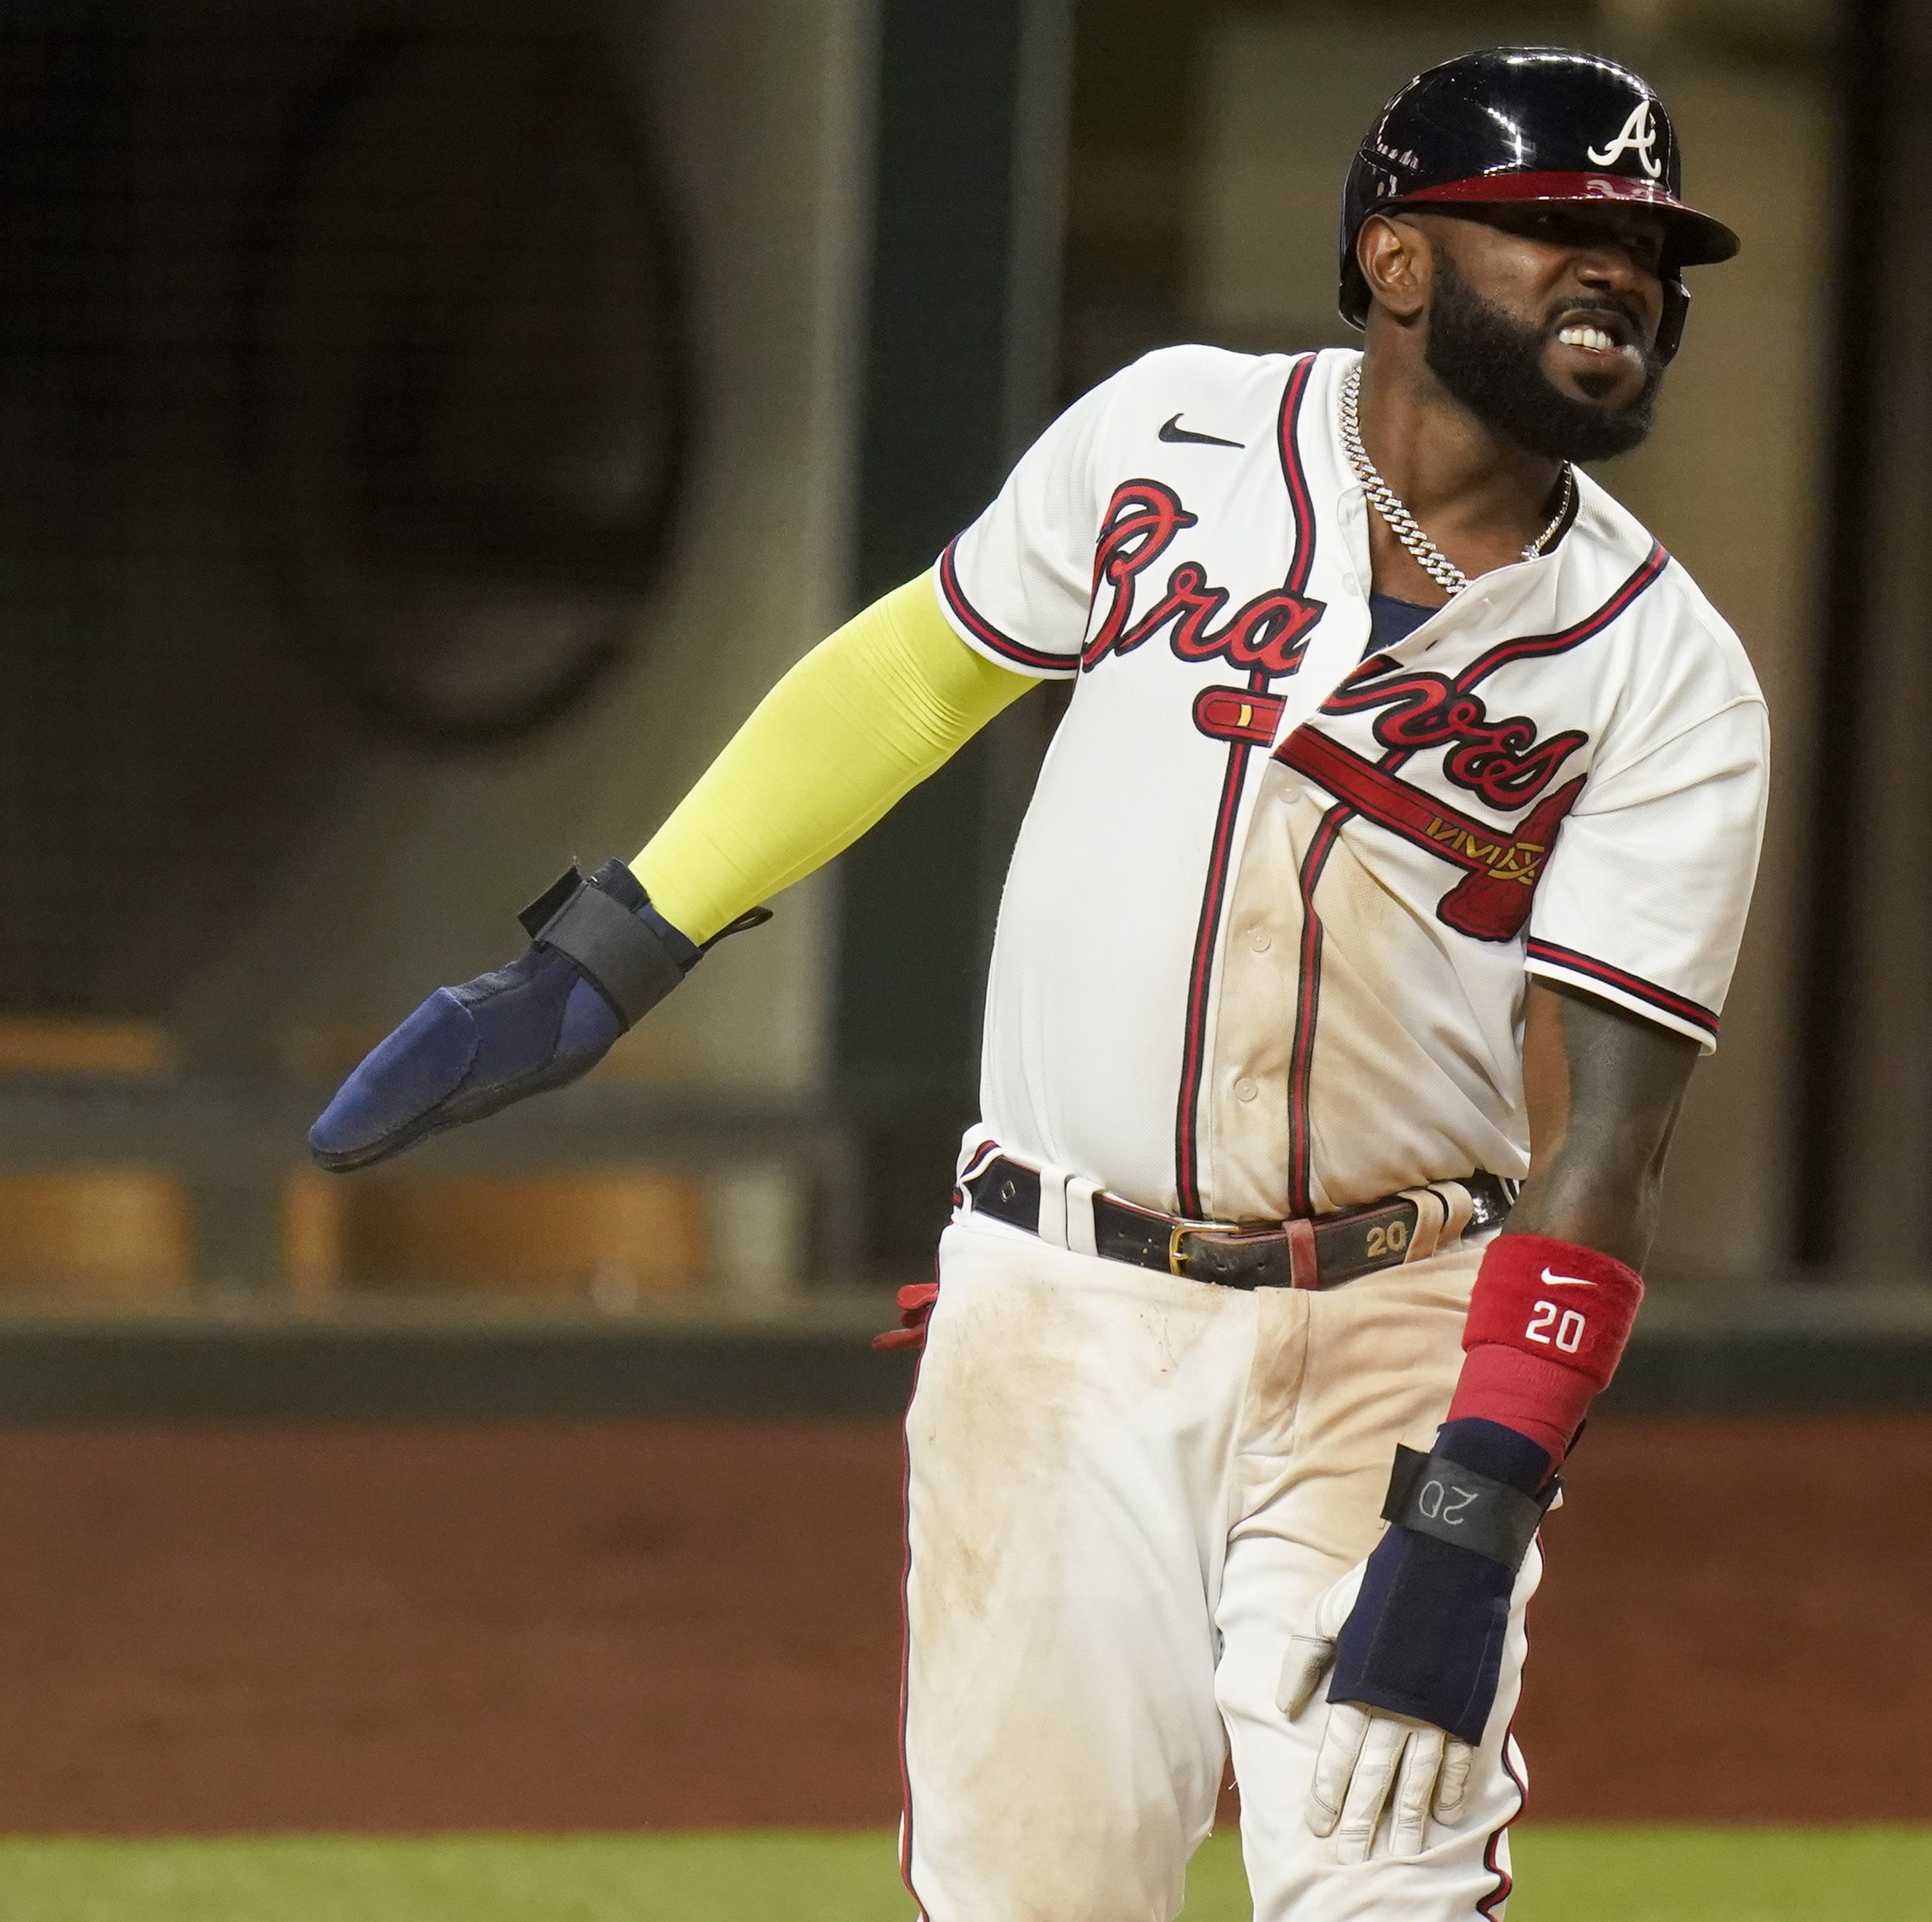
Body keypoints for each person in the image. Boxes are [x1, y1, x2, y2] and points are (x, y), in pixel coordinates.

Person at [308, 46, 1767, 1921]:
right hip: (1061, 1313)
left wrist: (1482, 1494)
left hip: (1399, 1322)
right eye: (1557, 228)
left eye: (1648, 250)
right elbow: (917, 676)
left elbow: (1611, 1148)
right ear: (1396, 260)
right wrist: (611, 949)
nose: (1619, 276)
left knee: (1391, 1892)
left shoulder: (1667, 676)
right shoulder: (1171, 435)